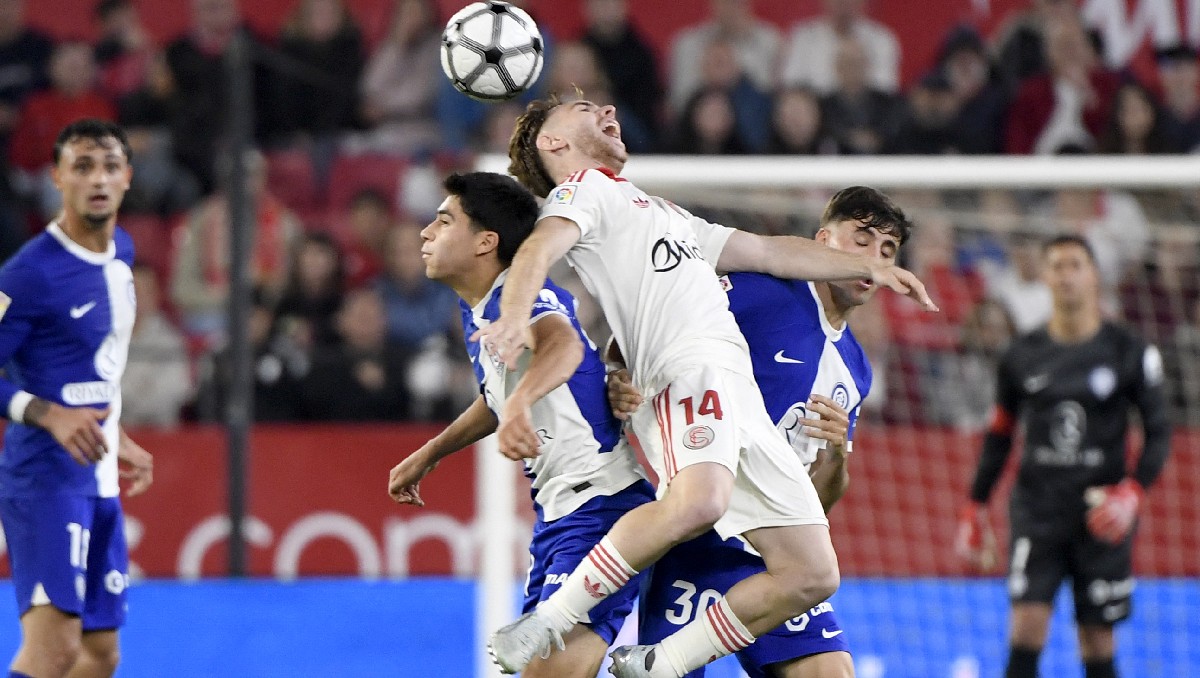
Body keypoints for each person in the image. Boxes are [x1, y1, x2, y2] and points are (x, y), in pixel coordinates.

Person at [481, 94, 935, 678]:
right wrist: (517, 317)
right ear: (554, 144)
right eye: (585, 109)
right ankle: (549, 620)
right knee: (699, 502)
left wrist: (870, 267)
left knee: (814, 572)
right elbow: (539, 250)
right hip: (685, 367)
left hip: (734, 392)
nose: (608, 109)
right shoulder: (583, 191)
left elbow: (769, 249)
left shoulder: (662, 212)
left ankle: (657, 664)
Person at [609, 186, 911, 678]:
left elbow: (818, 503)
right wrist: (617, 374)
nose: (873, 257)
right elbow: (651, 326)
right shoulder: (762, 292)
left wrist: (837, 454)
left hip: (774, 559)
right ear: (822, 240)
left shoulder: (856, 369)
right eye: (861, 239)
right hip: (696, 533)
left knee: (830, 672)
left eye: (886, 250)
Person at [386, 171, 655, 678]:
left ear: (486, 242)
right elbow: (496, 396)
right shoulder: (480, 311)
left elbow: (564, 345)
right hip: (562, 516)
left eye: (443, 222)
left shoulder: (521, 295)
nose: (425, 233)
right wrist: (432, 452)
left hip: (599, 508)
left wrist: (520, 406)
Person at [956, 235, 1172, 678]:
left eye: (1075, 264)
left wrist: (1132, 493)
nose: (1066, 274)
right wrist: (975, 504)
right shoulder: (1021, 355)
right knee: (1026, 627)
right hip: (1038, 510)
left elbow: (1159, 432)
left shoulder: (1129, 351)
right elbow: (1000, 435)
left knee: (1097, 638)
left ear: (1093, 275)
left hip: (1101, 514)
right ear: (1046, 277)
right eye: (1056, 266)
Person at [0, 118, 154, 678]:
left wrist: (119, 438)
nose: (98, 178)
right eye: (83, 166)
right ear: (56, 178)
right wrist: (46, 414)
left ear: (128, 179)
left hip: (99, 473)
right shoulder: (27, 275)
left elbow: (91, 372)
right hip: (44, 480)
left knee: (100, 654)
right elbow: (50, 396)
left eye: (110, 166)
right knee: (53, 651)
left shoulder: (122, 253)